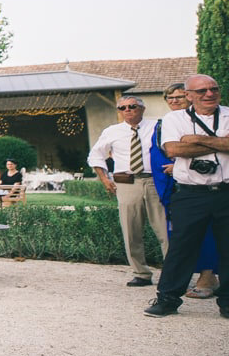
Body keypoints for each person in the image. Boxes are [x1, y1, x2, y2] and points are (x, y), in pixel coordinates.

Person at [145, 74, 229, 318]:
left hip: (225, 191)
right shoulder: (175, 118)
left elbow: (184, 146)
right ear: (189, 95)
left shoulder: (227, 114)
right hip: (191, 194)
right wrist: (219, 143)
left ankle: (227, 302)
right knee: (181, 248)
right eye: (202, 91)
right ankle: (167, 299)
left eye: (214, 89)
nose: (209, 94)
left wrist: (193, 140)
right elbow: (172, 148)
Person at [87, 95, 168, 287]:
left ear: (142, 108)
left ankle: (172, 273)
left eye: (132, 106)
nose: (128, 110)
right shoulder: (112, 131)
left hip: (155, 181)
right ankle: (141, 273)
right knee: (131, 229)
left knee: (165, 229)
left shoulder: (158, 126)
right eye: (122, 108)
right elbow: (96, 155)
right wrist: (105, 178)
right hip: (127, 183)